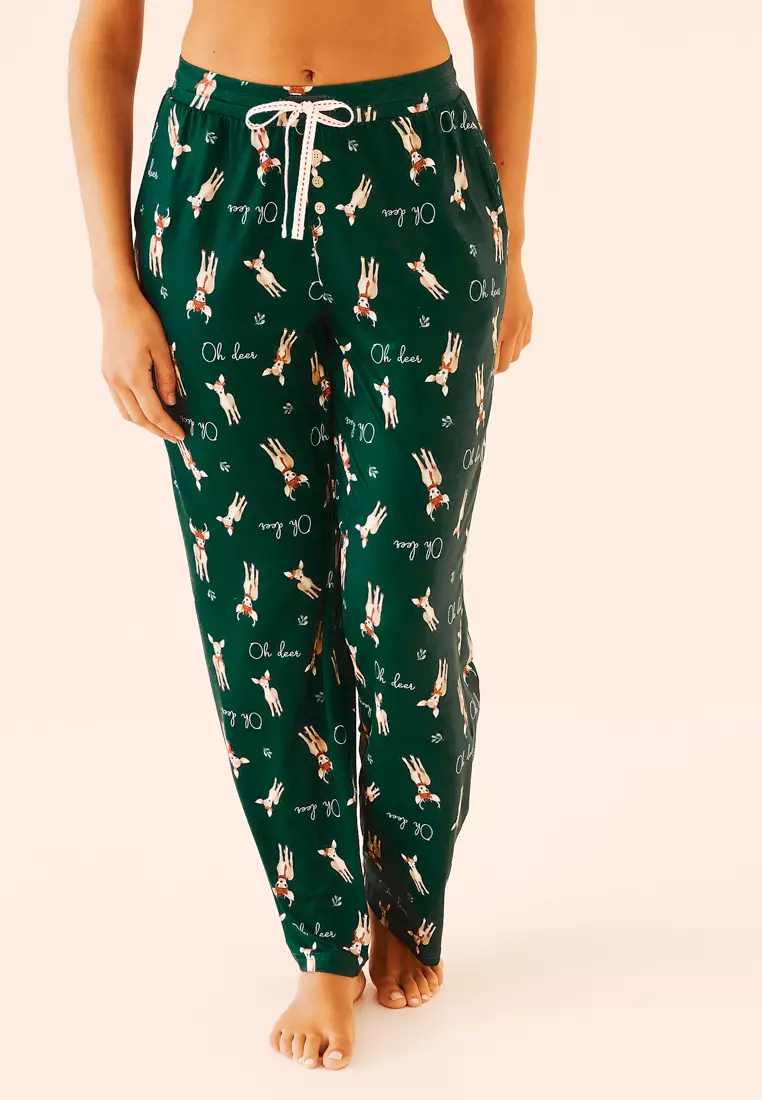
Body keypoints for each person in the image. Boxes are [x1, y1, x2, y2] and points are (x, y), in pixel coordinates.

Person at [68, 0, 535, 1072]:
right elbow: (104, 33)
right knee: (261, 611)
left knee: (401, 600)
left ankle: (405, 896)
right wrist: (112, 286)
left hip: (416, 173)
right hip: (216, 179)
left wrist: (509, 241)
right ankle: (324, 941)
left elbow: (506, 13)